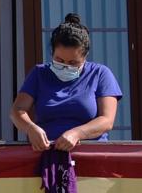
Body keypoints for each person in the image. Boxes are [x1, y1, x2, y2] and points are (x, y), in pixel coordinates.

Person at [11, 13, 121, 152]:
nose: (65, 66)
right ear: (52, 52)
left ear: (85, 57)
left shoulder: (100, 74)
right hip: (46, 154)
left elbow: (106, 120)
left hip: (91, 154)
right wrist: (30, 128)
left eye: (73, 63)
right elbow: (17, 111)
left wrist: (77, 133)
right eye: (59, 60)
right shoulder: (39, 73)